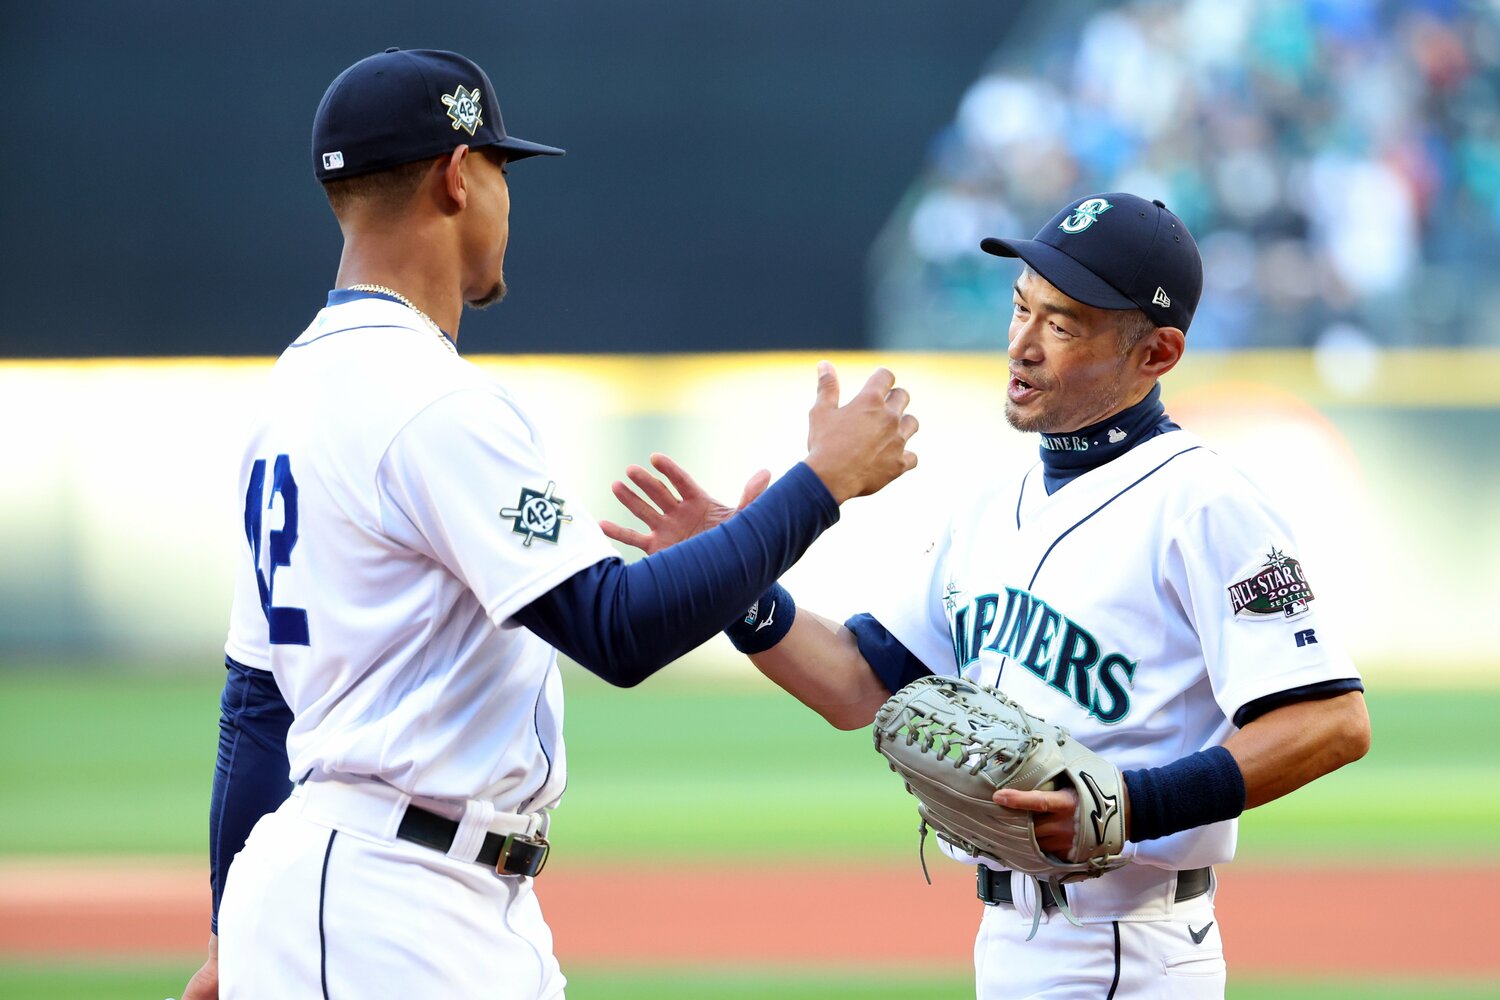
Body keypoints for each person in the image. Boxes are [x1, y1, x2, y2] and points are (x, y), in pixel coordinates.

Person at [180, 47, 918, 1000]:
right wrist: (819, 486)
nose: (505, 202)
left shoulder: (298, 387)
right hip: (386, 900)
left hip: (425, 892)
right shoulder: (423, 396)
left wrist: (223, 928)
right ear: (456, 176)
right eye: (499, 170)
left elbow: (255, 699)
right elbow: (615, 629)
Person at [604, 192, 1371, 999]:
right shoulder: (989, 500)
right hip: (1010, 937)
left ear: (1158, 353)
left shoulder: (1204, 503)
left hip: (1125, 945)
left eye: (1062, 324)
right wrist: (731, 586)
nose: (1021, 345)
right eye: (1020, 308)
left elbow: (1330, 720)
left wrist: (1129, 805)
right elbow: (857, 685)